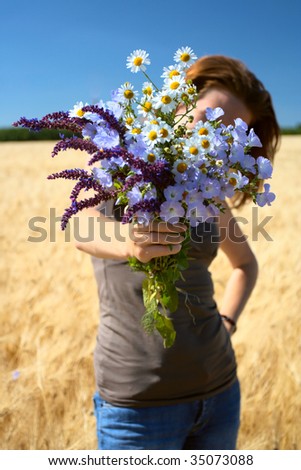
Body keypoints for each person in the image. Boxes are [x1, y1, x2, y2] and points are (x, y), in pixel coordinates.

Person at [75, 55, 280, 450]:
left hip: (219, 393)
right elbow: (81, 229)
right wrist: (130, 245)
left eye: (228, 131)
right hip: (137, 406)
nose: (212, 135)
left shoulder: (209, 191)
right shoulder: (117, 161)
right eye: (207, 117)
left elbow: (245, 265)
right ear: (182, 101)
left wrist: (228, 323)